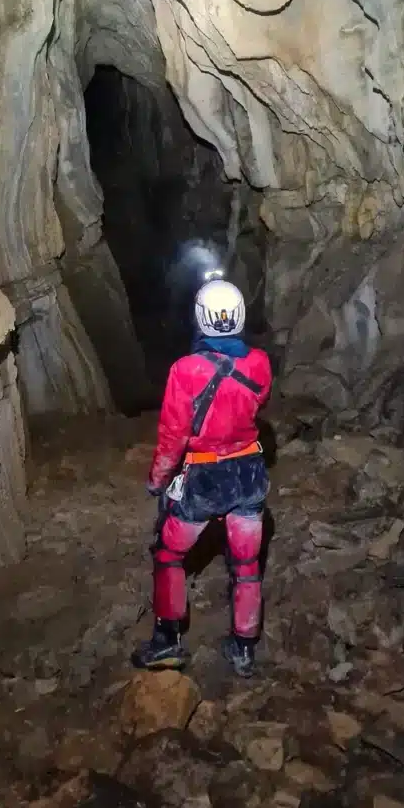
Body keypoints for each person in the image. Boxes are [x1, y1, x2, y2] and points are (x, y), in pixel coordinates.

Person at [132, 277, 273, 678]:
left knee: (169, 553)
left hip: (205, 478)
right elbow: (257, 401)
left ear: (200, 319)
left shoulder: (184, 370)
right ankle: (244, 647)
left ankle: (167, 641)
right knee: (246, 563)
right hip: (248, 472)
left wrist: (158, 480)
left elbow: (173, 435)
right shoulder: (260, 363)